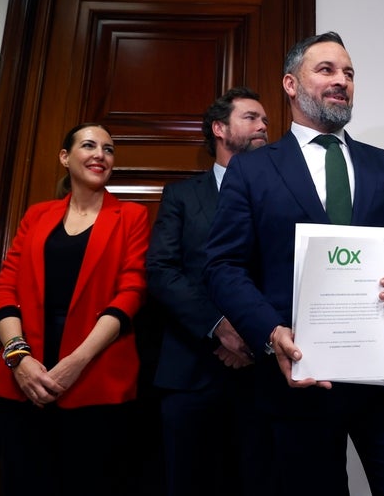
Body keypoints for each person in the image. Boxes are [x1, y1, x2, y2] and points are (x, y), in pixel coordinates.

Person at [204, 31, 384, 496]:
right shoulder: (251, 170)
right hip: (299, 380)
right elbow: (223, 266)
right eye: (327, 70)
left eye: (349, 73)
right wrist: (271, 333)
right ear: (290, 84)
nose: (342, 81)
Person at [0, 123, 150, 496]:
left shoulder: (132, 217)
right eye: (89, 146)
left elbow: (132, 291)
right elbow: (5, 286)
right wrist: (19, 358)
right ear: (65, 157)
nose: (100, 155)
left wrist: (77, 361)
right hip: (23, 377)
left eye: (108, 150)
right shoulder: (37, 215)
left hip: (97, 374)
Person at [145, 86, 269, 496]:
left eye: (265, 119)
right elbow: (163, 271)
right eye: (251, 117)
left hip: (262, 373)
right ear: (219, 128)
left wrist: (250, 337)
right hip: (190, 371)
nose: (263, 125)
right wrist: (220, 328)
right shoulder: (182, 196)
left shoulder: (278, 195)